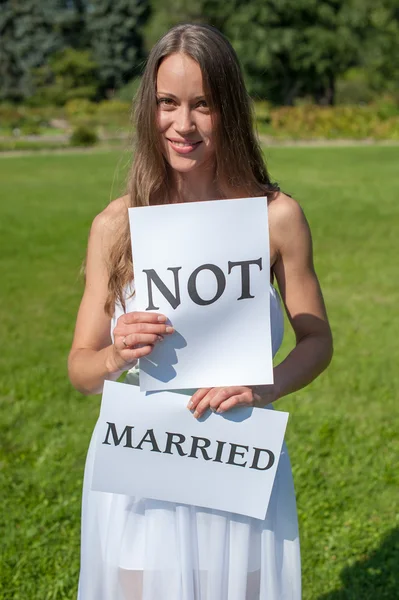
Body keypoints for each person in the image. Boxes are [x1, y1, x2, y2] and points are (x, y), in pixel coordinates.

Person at [69, 23, 333, 600]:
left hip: (236, 454)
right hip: (140, 461)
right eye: (167, 103)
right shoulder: (117, 225)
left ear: (229, 110)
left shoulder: (274, 216)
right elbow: (81, 370)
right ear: (149, 108)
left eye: (202, 105)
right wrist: (117, 352)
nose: (182, 124)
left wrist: (265, 387)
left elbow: (316, 341)